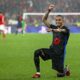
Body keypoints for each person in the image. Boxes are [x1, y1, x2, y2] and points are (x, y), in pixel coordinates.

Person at [32, 4, 70, 78]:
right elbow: (44, 20)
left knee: (60, 75)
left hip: (59, 55)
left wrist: (52, 29)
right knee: (37, 52)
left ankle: (65, 69)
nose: (57, 21)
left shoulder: (66, 30)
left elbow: (61, 30)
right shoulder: (54, 27)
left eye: (59, 20)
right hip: (52, 51)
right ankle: (38, 73)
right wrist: (48, 11)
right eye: (56, 20)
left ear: (63, 20)